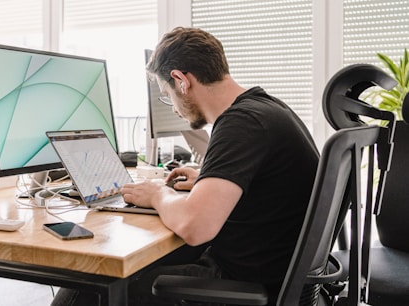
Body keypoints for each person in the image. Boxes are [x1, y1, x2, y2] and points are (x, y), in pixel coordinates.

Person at [51, 27, 319, 306]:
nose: (172, 106)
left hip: (244, 284)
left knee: (94, 281)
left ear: (181, 80)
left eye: (167, 94)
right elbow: (267, 186)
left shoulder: (241, 123)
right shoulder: (266, 108)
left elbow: (195, 227)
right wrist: (209, 179)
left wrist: (157, 194)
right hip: (272, 274)